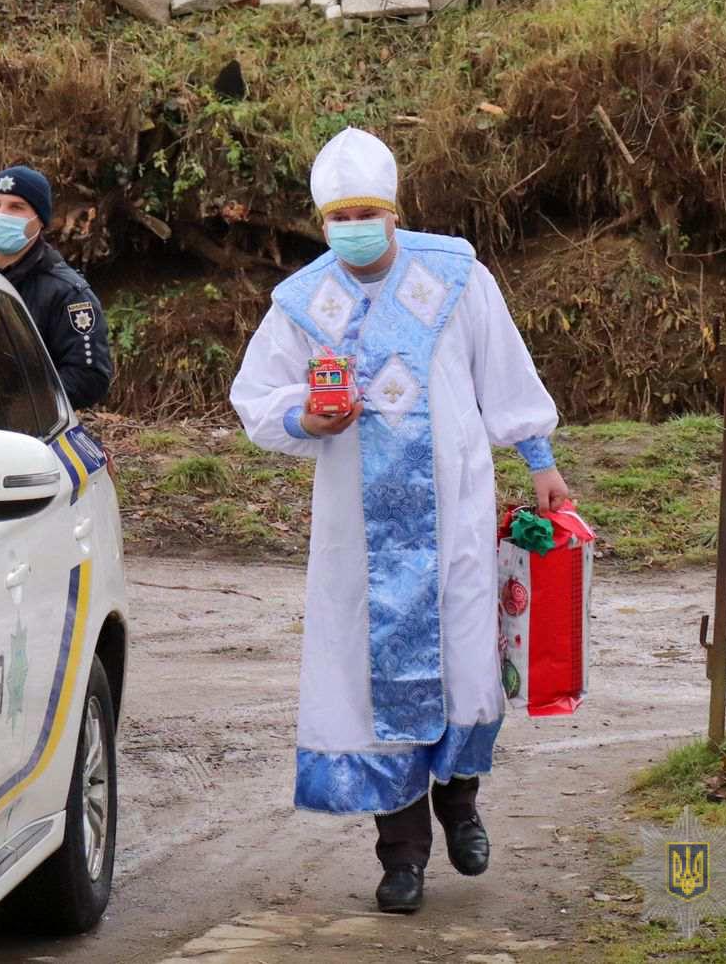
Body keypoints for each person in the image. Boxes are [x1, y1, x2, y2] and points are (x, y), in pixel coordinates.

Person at [230, 128, 571, 915]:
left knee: (462, 667)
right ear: (322, 221)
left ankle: (461, 806)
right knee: (372, 682)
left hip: (452, 512)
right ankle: (402, 854)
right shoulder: (305, 302)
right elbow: (259, 398)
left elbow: (504, 370)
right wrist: (307, 423)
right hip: (360, 533)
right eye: (337, 214)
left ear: (392, 210)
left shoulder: (453, 274)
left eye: (365, 211)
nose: (352, 225)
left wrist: (540, 459)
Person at [0, 165, 113, 410]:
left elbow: (90, 376)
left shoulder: (67, 293)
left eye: (16, 207)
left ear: (39, 220)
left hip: (25, 428)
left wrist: (28, 404)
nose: (1, 215)